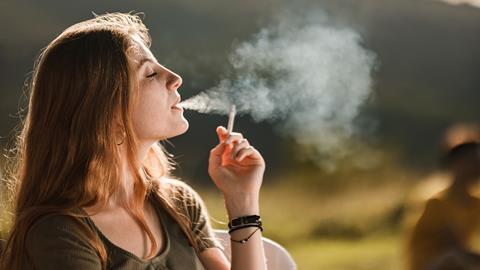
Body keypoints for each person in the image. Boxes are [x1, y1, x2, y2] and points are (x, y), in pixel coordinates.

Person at [0, 13, 267, 270]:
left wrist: (242, 199)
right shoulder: (61, 233)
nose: (175, 79)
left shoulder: (178, 204)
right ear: (106, 112)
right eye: (150, 74)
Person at [407, 141, 480, 270]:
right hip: (429, 265)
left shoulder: (475, 203)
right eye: (472, 161)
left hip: (457, 257)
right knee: (454, 258)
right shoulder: (436, 202)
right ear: (455, 164)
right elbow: (455, 245)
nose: (477, 166)